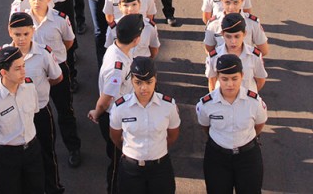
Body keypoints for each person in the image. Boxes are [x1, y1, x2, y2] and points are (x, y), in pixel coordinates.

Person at [5, 13, 66, 194]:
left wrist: (41, 91)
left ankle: (53, 187)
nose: (21, 39)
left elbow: (57, 77)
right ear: (9, 32)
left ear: (32, 31)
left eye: (25, 34)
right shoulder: (5, 55)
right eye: (17, 34)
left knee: (47, 152)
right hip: (16, 115)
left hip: (39, 112)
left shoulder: (44, 53)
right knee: (21, 157)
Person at [24, 0, 83, 168]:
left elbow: (69, 42)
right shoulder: (23, 21)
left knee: (65, 110)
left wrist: (55, 60)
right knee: (37, 112)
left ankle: (73, 147)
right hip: (33, 74)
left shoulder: (60, 19)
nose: (36, 2)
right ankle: (41, 149)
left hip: (58, 71)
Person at [88, 13, 144, 194]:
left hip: (122, 111)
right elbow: (106, 99)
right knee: (117, 160)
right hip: (114, 117)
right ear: (136, 39)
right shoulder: (116, 68)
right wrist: (97, 112)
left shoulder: (118, 49)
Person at [197, 53, 268, 194]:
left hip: (248, 157)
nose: (230, 84)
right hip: (217, 158)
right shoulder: (206, 104)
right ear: (217, 78)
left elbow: (259, 125)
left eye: (234, 78)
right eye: (225, 79)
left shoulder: (254, 102)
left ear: (242, 76)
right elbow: (205, 126)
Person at [109, 56, 180, 194]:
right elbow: (115, 137)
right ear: (131, 81)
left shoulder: (168, 106)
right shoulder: (120, 108)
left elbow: (173, 135)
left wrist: (157, 149)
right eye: (138, 82)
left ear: (156, 79)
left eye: (149, 82)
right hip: (131, 169)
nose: (144, 88)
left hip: (160, 169)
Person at [0, 46, 45, 194]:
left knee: (37, 189)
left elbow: (35, 112)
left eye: (23, 65)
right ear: (4, 72)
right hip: (8, 157)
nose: (24, 71)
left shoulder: (30, 86)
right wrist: (5, 150)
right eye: (18, 68)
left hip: (32, 150)